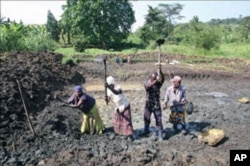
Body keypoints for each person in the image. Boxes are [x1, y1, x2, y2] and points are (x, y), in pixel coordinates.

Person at [105, 76, 134, 140]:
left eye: (111, 85)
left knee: (126, 121)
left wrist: (108, 87)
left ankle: (129, 135)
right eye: (110, 85)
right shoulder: (109, 90)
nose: (111, 86)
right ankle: (118, 132)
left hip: (125, 105)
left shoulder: (118, 87)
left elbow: (116, 92)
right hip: (117, 107)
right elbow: (108, 99)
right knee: (117, 121)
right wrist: (106, 99)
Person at [143, 65, 165, 140]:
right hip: (148, 104)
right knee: (146, 118)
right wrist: (156, 80)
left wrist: (160, 71)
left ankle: (160, 135)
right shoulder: (147, 83)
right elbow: (147, 87)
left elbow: (163, 79)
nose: (154, 80)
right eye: (153, 78)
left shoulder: (158, 84)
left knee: (159, 120)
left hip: (156, 105)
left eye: (155, 78)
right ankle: (146, 132)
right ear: (150, 78)